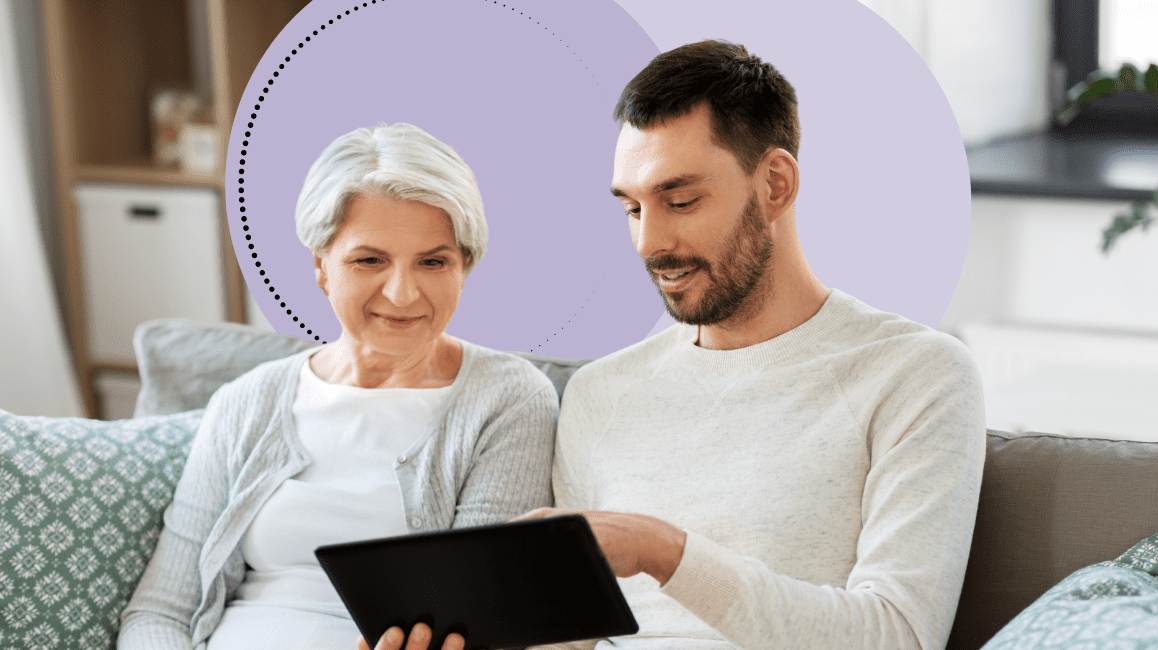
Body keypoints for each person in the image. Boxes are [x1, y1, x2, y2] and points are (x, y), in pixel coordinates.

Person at [372, 40, 985, 650]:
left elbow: (900, 636)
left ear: (775, 184)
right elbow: (569, 638)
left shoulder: (913, 375)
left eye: (681, 200)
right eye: (633, 208)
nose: (649, 242)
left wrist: (661, 551)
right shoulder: (600, 393)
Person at [117, 123, 559, 650]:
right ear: (322, 266)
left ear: (464, 267)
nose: (401, 293)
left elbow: (479, 620)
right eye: (369, 260)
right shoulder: (246, 402)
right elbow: (159, 612)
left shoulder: (509, 399)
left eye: (433, 261)